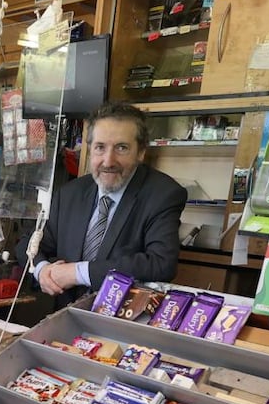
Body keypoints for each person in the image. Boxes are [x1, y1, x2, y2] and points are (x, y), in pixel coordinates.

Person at [17, 101, 187, 306]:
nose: (108, 161)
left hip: (121, 325)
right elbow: (29, 243)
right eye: (100, 147)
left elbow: (161, 264)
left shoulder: (163, 194)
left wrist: (77, 272)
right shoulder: (70, 193)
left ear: (141, 152)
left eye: (121, 148)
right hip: (63, 319)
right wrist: (42, 269)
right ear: (90, 150)